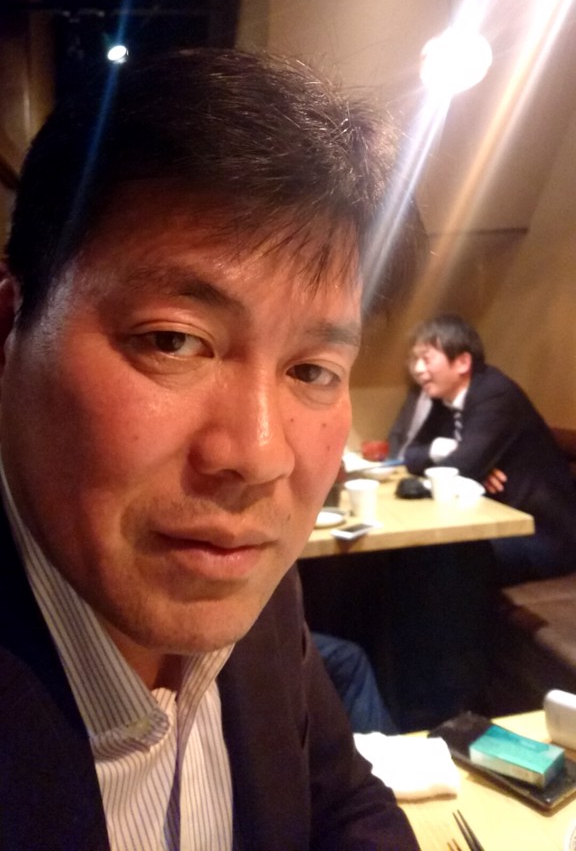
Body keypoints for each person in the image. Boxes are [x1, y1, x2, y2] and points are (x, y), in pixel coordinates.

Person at [0, 48, 422, 850]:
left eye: (312, 370)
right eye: (174, 340)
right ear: (9, 328)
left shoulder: (252, 585)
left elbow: (342, 800)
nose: (257, 457)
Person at [403, 313, 576, 584]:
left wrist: (467, 471)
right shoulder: (443, 399)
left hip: (543, 536)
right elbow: (411, 456)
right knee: (412, 556)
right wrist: (442, 451)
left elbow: (459, 469)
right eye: (415, 360)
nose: (418, 369)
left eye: (426, 359)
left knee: (437, 560)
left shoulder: (495, 394)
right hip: (493, 521)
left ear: (462, 362)